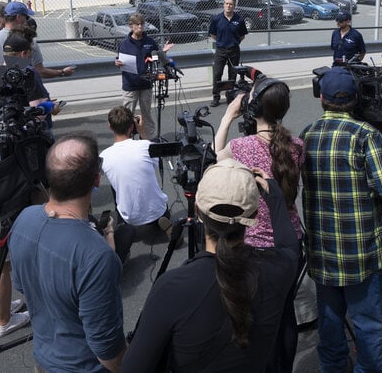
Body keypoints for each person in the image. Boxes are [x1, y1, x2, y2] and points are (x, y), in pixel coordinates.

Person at [122, 159, 299, 372]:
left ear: (197, 211)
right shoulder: (279, 269)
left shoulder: (172, 287)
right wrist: (275, 196)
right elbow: (289, 246)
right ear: (253, 216)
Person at [301, 67, 382, 372]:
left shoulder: (307, 134)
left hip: (323, 252)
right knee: (367, 325)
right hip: (362, 254)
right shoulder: (364, 135)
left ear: (322, 100)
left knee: (329, 324)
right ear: (356, 99)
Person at [9, 135, 126, 372]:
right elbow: (106, 349)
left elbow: (22, 285)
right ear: (96, 180)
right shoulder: (97, 256)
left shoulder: (23, 220)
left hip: (44, 359)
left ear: (49, 177)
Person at [215, 77, 305, 372]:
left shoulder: (241, 147)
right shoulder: (297, 146)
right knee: (285, 312)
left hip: (256, 248)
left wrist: (229, 114)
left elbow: (218, 154)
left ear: (254, 107)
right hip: (291, 242)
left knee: (257, 317)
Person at [99, 105, 172, 263]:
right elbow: (155, 162)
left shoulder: (104, 157)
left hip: (129, 216)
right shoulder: (146, 146)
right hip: (157, 209)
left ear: (110, 127)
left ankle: (123, 225)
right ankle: (161, 222)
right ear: (132, 126)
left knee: (116, 180)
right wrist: (143, 132)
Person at [0, 0, 75, 80]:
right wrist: (62, 72)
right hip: (25, 92)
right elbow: (40, 71)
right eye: (26, 17)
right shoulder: (28, 40)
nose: (27, 20)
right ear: (19, 17)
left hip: (2, 92)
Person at [114, 13, 164, 139]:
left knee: (147, 112)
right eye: (137, 24)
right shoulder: (124, 44)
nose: (140, 27)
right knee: (127, 114)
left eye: (142, 24)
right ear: (131, 26)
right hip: (130, 85)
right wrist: (117, 63)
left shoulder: (150, 42)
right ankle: (127, 138)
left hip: (146, 84)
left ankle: (149, 137)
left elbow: (155, 58)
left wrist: (162, 53)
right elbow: (119, 60)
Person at [209, 0, 248, 107]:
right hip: (221, 50)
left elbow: (242, 36)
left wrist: (233, 43)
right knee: (217, 74)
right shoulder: (216, 19)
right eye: (226, 3)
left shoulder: (239, 20)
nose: (228, 6)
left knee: (232, 75)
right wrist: (222, 43)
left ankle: (230, 96)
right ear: (223, 5)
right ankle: (216, 97)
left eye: (231, 4)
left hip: (234, 50)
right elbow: (213, 35)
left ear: (234, 6)